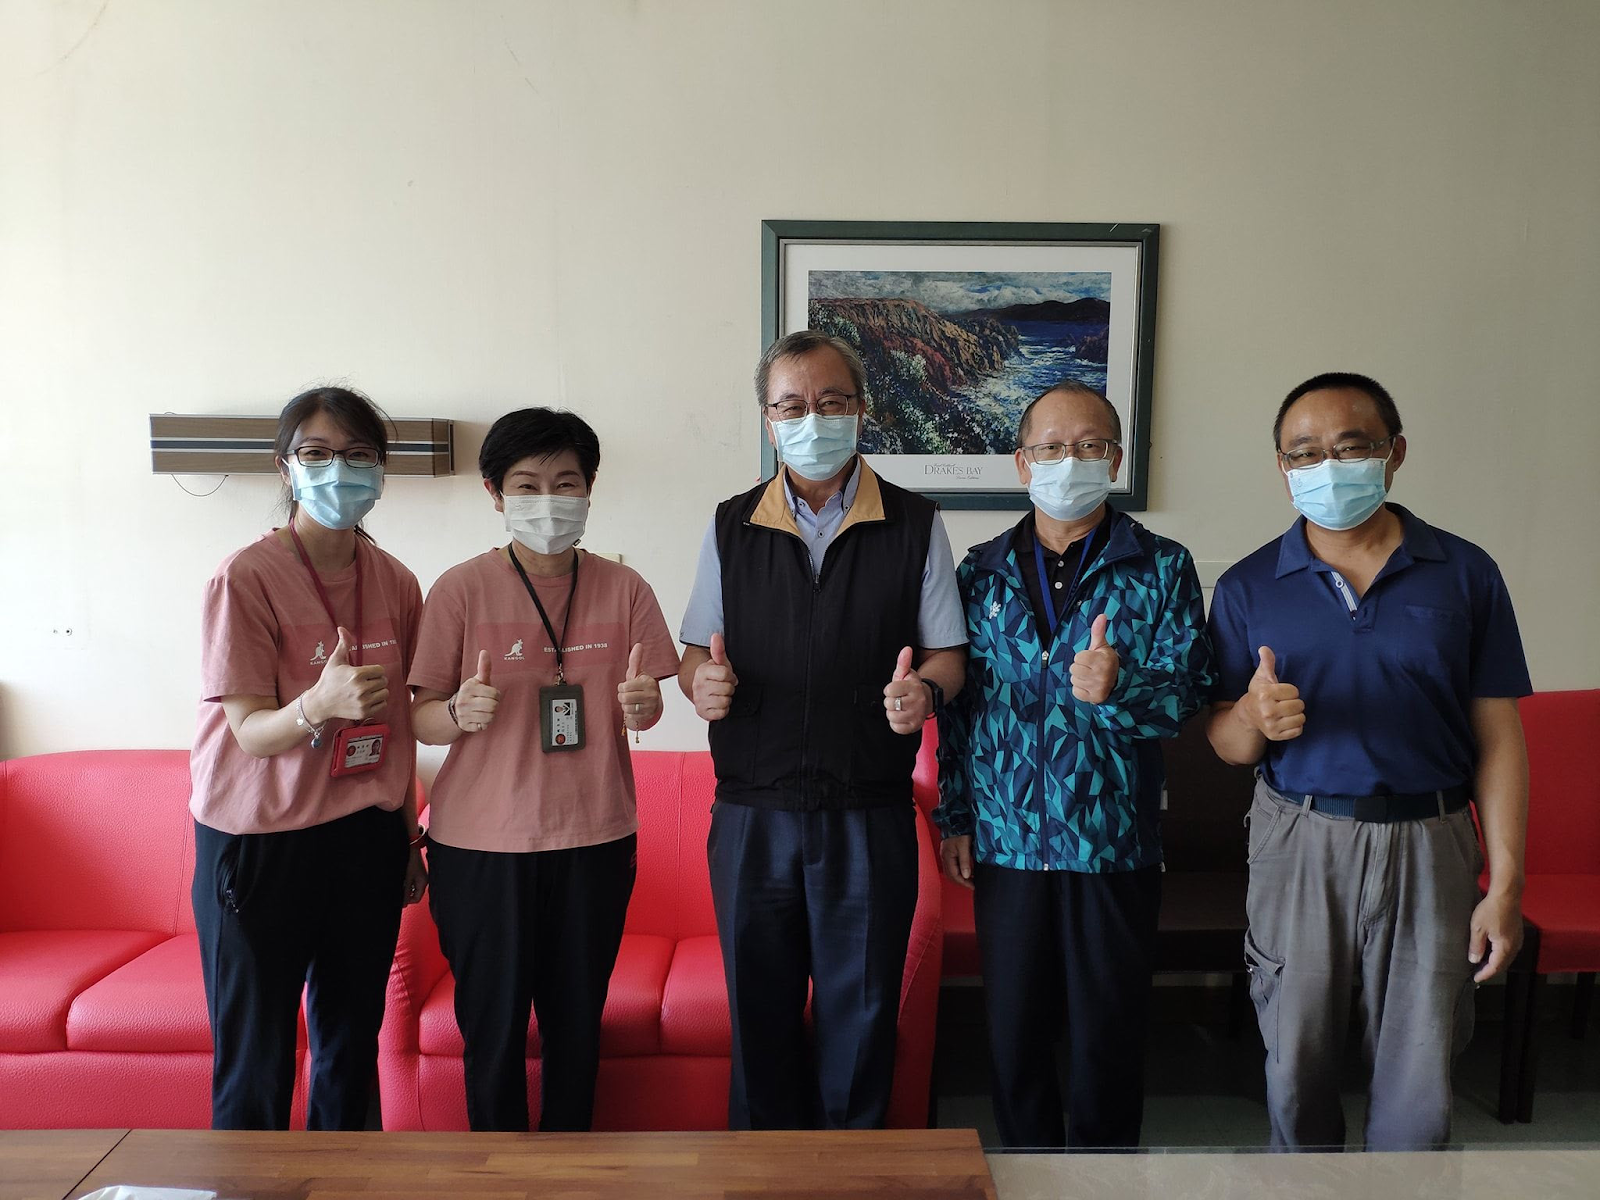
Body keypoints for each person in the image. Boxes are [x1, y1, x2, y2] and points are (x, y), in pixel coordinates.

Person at [1206, 372, 1530, 1151]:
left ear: (1395, 453)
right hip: (1299, 836)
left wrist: (1506, 884)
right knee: (1296, 1066)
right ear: (1281, 467)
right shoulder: (1249, 585)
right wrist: (1251, 716)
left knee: (1421, 1077)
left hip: (1432, 837)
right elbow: (1226, 742)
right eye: (1304, 452)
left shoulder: (1466, 573)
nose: (1327, 466)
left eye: (1350, 447)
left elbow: (1499, 737)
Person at [678, 330, 968, 1130]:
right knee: (759, 1022)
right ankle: (764, 1178)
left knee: (863, 1024)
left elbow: (948, 656)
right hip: (752, 812)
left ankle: (851, 1177)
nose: (812, 418)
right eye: (792, 405)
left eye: (831, 401)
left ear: (862, 410)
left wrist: (924, 695)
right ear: (769, 421)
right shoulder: (731, 525)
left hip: (868, 812)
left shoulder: (914, 523)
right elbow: (696, 651)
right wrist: (700, 682)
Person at [933, 381, 1215, 1149]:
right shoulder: (981, 573)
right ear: (1022, 463)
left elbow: (1189, 693)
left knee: (1109, 1033)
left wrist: (1123, 685)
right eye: (1052, 447)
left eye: (1090, 446)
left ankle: (1104, 1176)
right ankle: (1026, 1169)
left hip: (1114, 840)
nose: (1070, 460)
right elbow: (959, 710)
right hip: (1006, 841)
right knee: (1013, 1032)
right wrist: (954, 817)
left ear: (1115, 460)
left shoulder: (1161, 566)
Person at [410, 407, 679, 1132]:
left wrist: (645, 704)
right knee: (491, 1031)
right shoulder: (460, 589)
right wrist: (456, 711)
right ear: (495, 494)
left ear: (589, 489)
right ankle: (498, 1173)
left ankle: (570, 1169)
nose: (547, 501)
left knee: (578, 1029)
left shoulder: (625, 588)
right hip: (479, 849)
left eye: (565, 484)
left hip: (595, 840)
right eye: (526, 486)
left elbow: (648, 705)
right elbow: (421, 718)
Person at [189, 385, 427, 1130]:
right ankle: (247, 1181)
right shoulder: (245, 578)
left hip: (363, 838)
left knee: (351, 1051)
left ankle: (347, 1180)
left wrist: (406, 838)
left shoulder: (396, 581)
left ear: (381, 469)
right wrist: (316, 706)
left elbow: (400, 726)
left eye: (358, 455)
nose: (339, 470)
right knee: (257, 1060)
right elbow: (248, 732)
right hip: (261, 846)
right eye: (317, 454)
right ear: (285, 467)